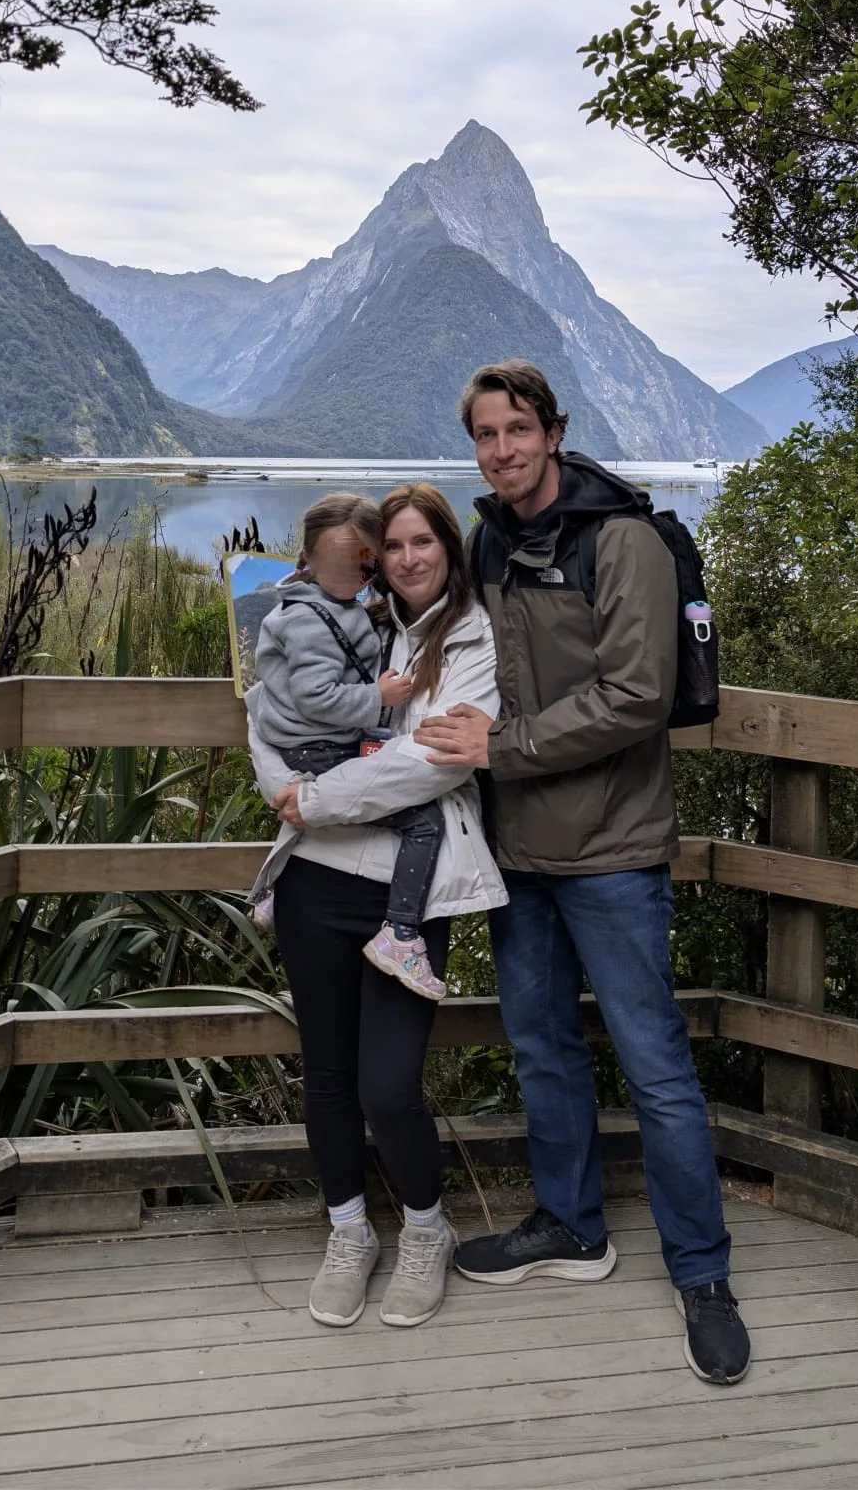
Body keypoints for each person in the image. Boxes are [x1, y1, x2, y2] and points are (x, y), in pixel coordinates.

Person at [415, 361, 751, 1386]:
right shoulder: (489, 539)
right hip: (517, 852)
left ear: (553, 432)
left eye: (517, 430)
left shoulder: (626, 542)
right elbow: (456, 652)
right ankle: (569, 1228)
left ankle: (701, 1273)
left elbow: (637, 695)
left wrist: (500, 746)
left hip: (611, 850)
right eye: (483, 434)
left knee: (654, 1068)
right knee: (542, 1050)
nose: (501, 450)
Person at [246, 483, 507, 1331]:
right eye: (390, 547)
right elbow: (263, 707)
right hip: (317, 881)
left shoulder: (468, 635)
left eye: (421, 543)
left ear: (447, 548)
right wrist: (285, 784)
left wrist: (315, 798)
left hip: (408, 891)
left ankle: (427, 1229)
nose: (406, 559)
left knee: (389, 1086)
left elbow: (435, 764)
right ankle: (350, 1230)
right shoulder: (340, 617)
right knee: (326, 1074)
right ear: (369, 557)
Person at [247, 492, 447, 1001]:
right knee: (424, 824)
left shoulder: (322, 603)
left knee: (338, 778)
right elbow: (316, 696)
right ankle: (402, 934)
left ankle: (274, 893)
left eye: (366, 562)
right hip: (317, 745)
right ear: (312, 558)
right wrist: (376, 695)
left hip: (306, 747)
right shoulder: (313, 618)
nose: (362, 573)